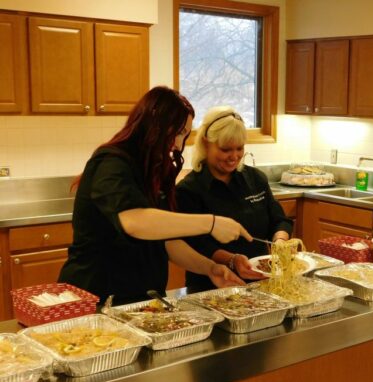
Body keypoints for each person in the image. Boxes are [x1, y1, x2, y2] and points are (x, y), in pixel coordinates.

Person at [59, 87, 252, 305]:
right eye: (177, 132)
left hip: (140, 298)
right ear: (154, 125)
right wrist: (211, 223)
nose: (179, 144)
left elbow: (167, 242)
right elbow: (134, 222)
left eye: (184, 135)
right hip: (97, 297)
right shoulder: (112, 163)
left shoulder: (152, 168)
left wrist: (210, 268)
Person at [176, 106, 293, 292]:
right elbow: (196, 245)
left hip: (261, 282)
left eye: (239, 148)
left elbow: (280, 220)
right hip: (211, 286)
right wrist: (232, 260)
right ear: (206, 144)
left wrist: (279, 243)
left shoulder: (256, 179)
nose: (234, 156)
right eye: (225, 149)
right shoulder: (189, 189)